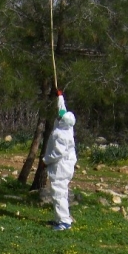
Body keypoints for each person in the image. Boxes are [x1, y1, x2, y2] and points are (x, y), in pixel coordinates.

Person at [43, 90, 77, 231]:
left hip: (61, 167)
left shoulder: (62, 135)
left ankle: (64, 222)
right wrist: (60, 96)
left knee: (58, 193)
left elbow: (57, 153)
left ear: (63, 122)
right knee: (60, 192)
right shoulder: (67, 127)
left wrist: (45, 160)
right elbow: (62, 110)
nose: (59, 115)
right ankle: (60, 219)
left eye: (60, 117)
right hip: (65, 165)